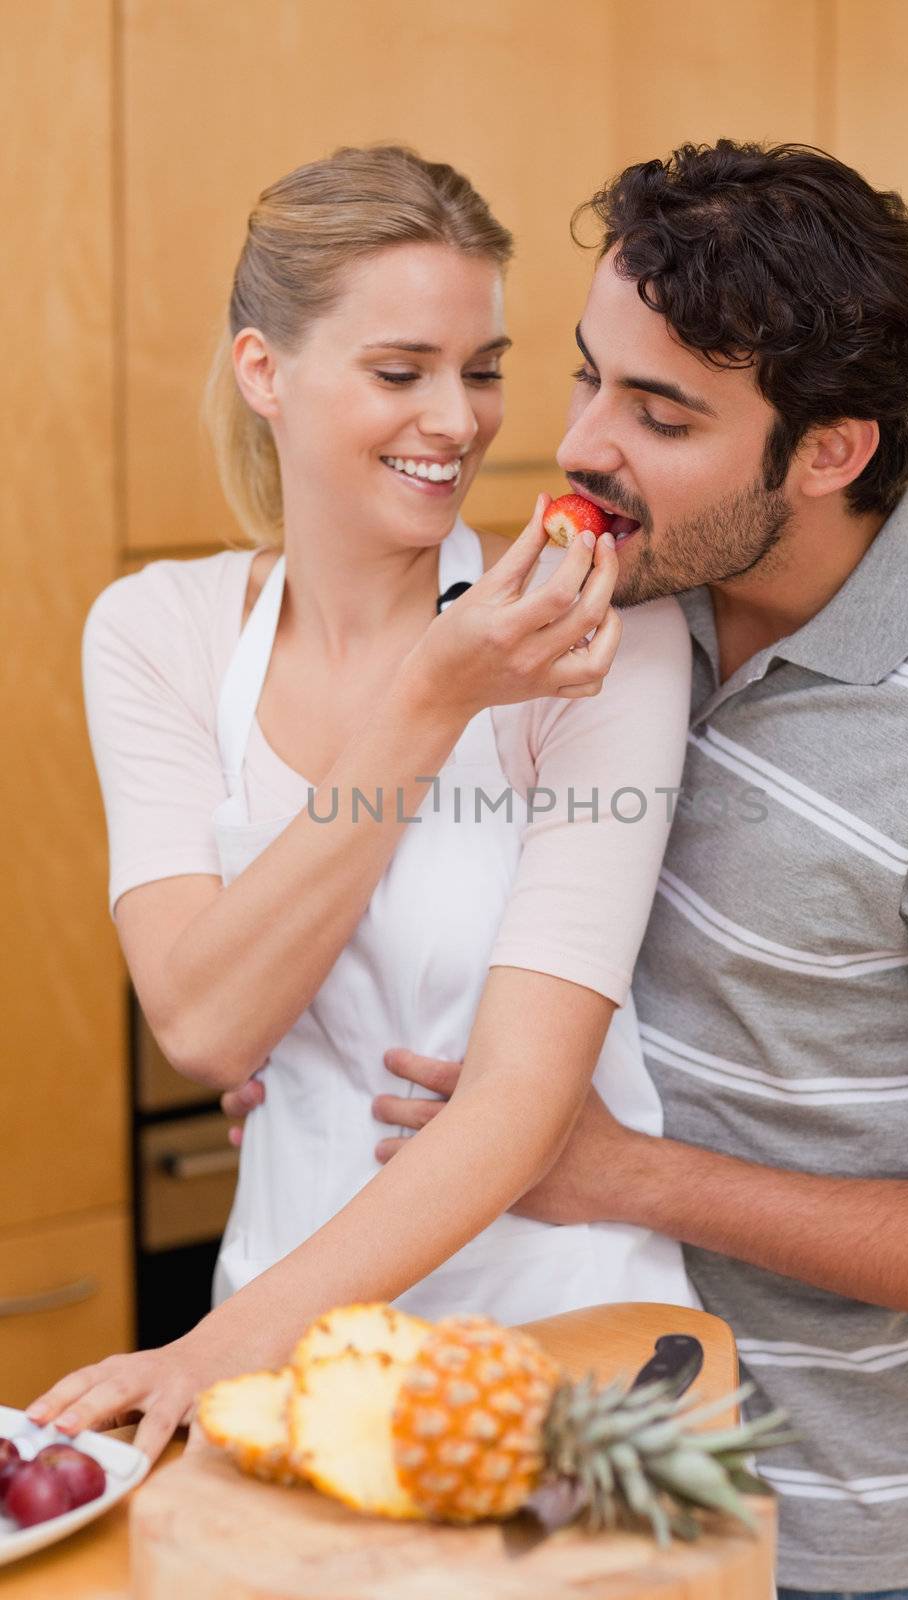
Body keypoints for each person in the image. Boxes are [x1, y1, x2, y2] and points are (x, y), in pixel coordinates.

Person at [359, 142, 908, 1595]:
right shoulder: (618, 597)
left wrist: (622, 1174)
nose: (581, 446)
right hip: (584, 1461)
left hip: (850, 1527)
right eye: (587, 376)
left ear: (829, 451)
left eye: (662, 412)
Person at [25, 144, 699, 1462]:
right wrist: (431, 700)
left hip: (569, 1371)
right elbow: (209, 1025)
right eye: (402, 372)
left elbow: (520, 1103)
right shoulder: (158, 633)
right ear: (262, 371)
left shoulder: (594, 634)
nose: (458, 419)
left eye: (486, 368)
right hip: (284, 1371)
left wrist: (206, 1356)